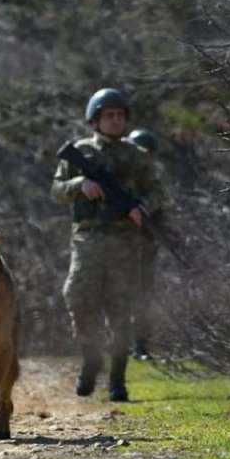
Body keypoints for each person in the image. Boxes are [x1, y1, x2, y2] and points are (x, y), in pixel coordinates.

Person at [50, 88, 167, 402]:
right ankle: (91, 357)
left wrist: (142, 208)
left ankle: (117, 379)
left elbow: (157, 191)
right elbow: (57, 190)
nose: (115, 121)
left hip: (125, 241)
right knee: (78, 298)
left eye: (119, 116)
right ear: (95, 120)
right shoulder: (80, 151)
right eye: (108, 116)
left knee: (121, 310)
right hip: (87, 239)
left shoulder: (136, 156)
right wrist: (80, 185)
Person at [126, 128, 165, 361]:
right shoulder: (122, 180)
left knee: (143, 297)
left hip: (145, 246)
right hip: (118, 246)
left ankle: (141, 345)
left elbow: (162, 208)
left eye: (149, 154)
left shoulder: (153, 183)